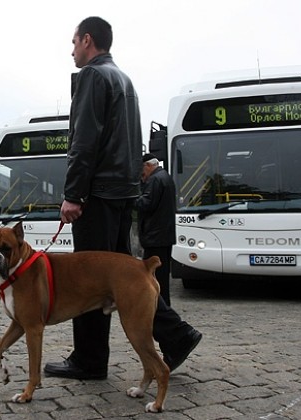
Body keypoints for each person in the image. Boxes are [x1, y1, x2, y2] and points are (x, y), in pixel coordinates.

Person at [44, 17, 201, 379]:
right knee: (125, 277)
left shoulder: (92, 77)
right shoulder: (125, 80)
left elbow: (83, 142)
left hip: (97, 194)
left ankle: (90, 360)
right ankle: (176, 335)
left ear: (88, 40)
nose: (71, 50)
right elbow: (130, 143)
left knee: (87, 278)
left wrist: (73, 194)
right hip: (121, 193)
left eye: (73, 42)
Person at [136, 153, 176, 306]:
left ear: (148, 165)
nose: (141, 175)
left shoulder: (155, 179)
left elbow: (146, 204)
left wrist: (131, 198)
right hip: (163, 235)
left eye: (142, 170)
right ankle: (163, 305)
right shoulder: (165, 177)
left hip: (155, 236)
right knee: (162, 275)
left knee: (154, 275)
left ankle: (159, 306)